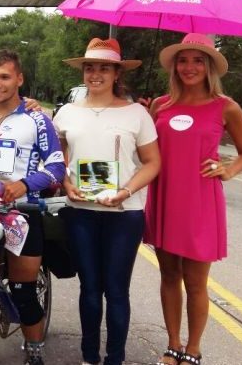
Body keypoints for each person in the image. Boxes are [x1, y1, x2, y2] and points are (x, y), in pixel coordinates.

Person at [144, 33, 242, 365]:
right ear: (174, 66)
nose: (189, 67)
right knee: (167, 275)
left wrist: (227, 170)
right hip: (164, 196)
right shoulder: (159, 105)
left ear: (209, 67)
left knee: (195, 282)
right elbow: (145, 149)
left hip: (200, 202)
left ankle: (193, 348)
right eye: (183, 60)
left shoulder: (227, 107)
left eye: (198, 61)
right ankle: (173, 344)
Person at [52, 38, 161, 365]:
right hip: (80, 212)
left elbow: (153, 162)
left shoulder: (137, 114)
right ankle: (89, 357)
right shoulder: (66, 113)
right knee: (89, 288)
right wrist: (67, 181)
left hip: (123, 214)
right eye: (89, 67)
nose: (95, 74)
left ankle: (115, 358)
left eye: (103, 68)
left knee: (115, 290)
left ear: (117, 73)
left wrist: (125, 191)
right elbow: (58, 155)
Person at [0, 50, 65, 365]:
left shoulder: (37, 119)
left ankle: (34, 350)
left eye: (5, 76)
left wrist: (24, 184)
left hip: (24, 211)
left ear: (19, 79)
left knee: (23, 292)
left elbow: (56, 168)